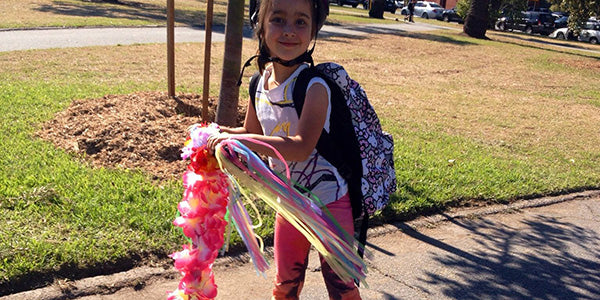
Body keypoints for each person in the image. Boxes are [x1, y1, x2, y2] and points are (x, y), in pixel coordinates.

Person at [207, 0, 362, 299]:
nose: (289, 31)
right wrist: (219, 134)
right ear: (261, 26)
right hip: (288, 203)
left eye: (301, 22)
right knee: (286, 282)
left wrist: (241, 142)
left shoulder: (315, 87)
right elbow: (251, 132)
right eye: (278, 19)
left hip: (331, 202)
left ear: (313, 29)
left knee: (341, 285)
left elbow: (301, 147)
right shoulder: (258, 84)